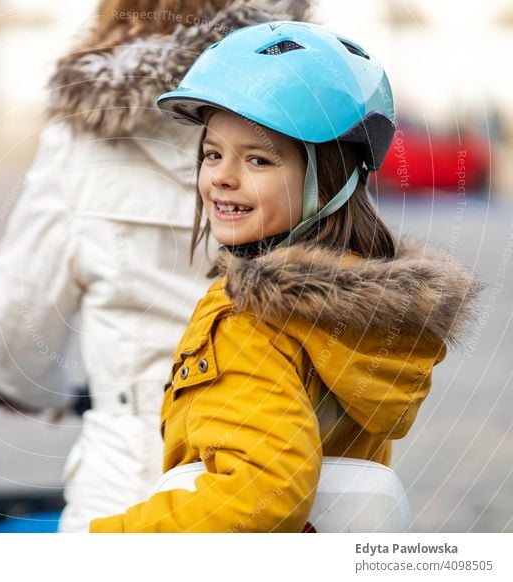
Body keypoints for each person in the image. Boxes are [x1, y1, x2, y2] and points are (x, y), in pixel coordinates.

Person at [89, 20, 481, 533]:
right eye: (212, 153)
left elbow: (260, 492)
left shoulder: (249, 323)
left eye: (258, 158)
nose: (222, 176)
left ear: (330, 179)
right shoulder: (363, 323)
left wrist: (100, 544)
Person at [0, 0, 314, 533]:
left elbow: (22, 308)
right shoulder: (302, 114)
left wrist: (26, 387)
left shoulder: (79, 138)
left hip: (128, 471)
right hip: (280, 458)